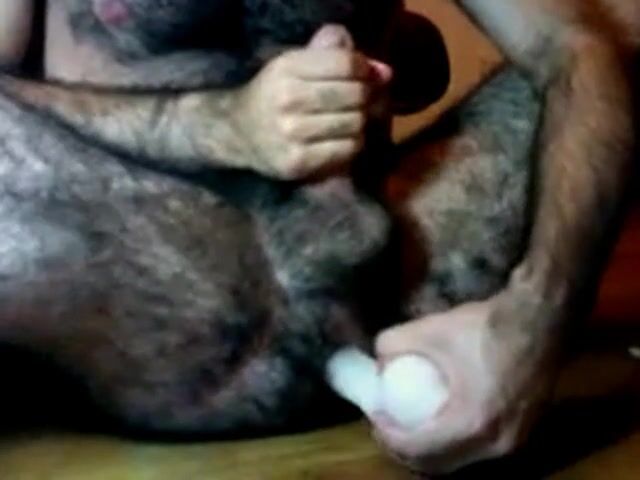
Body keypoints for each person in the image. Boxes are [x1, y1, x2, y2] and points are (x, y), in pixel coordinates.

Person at [0, 0, 635, 476]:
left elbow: (574, 46)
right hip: (146, 300)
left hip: (374, 285)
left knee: (616, 44)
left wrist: (535, 322)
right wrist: (213, 125)